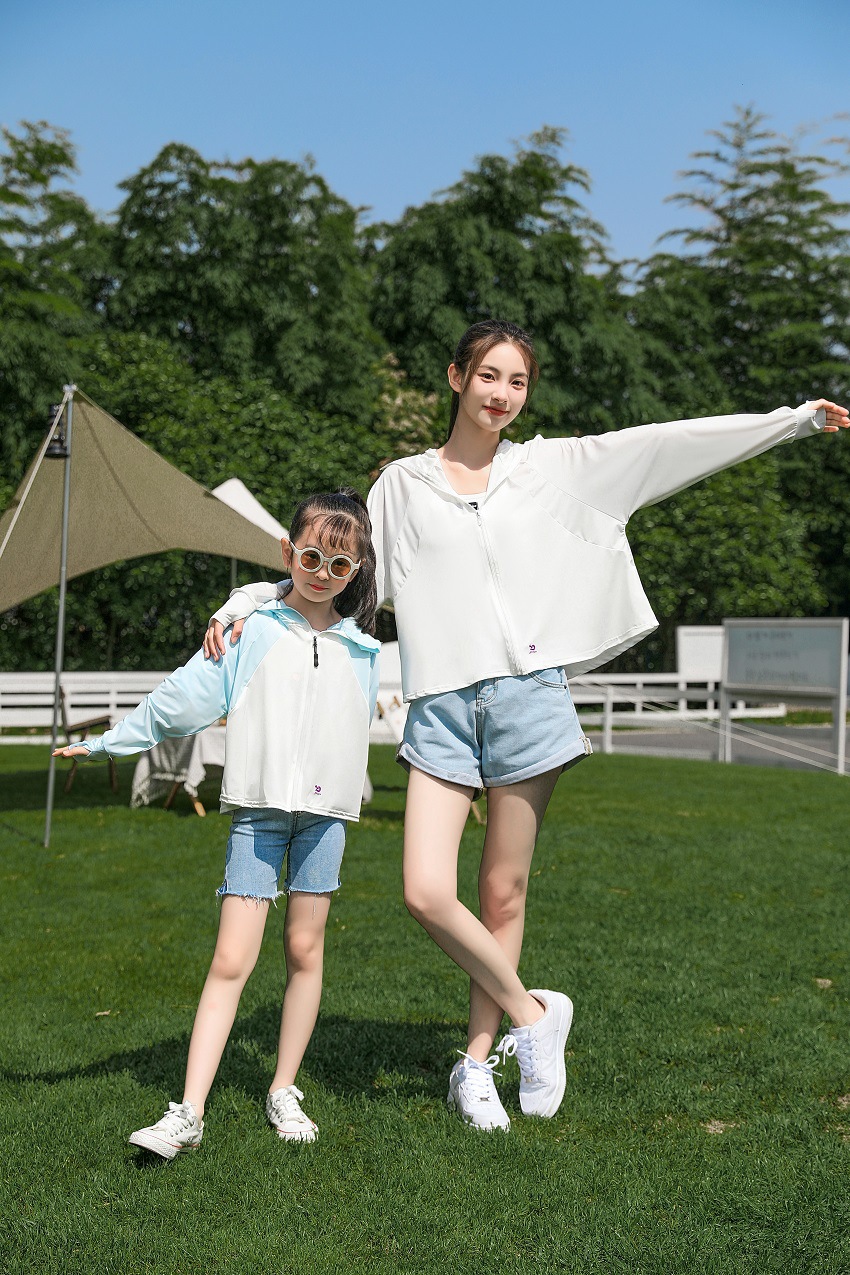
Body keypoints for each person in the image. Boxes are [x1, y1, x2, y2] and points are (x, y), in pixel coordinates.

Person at [205, 320, 849, 1133]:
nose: (502, 394)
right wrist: (244, 602)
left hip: (529, 698)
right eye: (488, 376)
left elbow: (664, 446)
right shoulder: (400, 485)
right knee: (425, 890)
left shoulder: (549, 469)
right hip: (441, 704)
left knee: (502, 891)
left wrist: (793, 420)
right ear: (455, 377)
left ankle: (476, 1066)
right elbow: (333, 569)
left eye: (517, 381)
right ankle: (537, 1014)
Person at [55, 488, 379, 1156]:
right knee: (231, 958)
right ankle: (189, 1111)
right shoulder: (248, 630)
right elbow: (179, 700)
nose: (322, 573)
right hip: (258, 817)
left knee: (305, 952)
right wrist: (108, 743)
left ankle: (283, 1088)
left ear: (356, 570)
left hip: (326, 822)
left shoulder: (363, 651)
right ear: (288, 552)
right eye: (310, 557)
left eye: (339, 564)